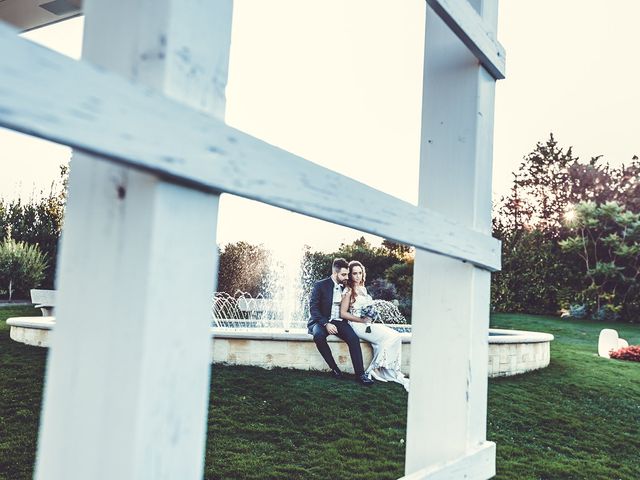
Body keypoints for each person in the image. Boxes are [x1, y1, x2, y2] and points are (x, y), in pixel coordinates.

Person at [339, 260, 409, 392]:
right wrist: (361, 319)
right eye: (354, 273)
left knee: (394, 336)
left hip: (367, 323)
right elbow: (343, 313)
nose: (358, 276)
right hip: (357, 325)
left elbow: (367, 308)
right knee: (391, 337)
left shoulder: (363, 289)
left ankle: (383, 369)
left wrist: (372, 314)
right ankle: (374, 369)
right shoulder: (348, 291)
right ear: (350, 275)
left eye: (360, 273)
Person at [308, 258, 374, 386]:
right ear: (335, 273)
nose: (346, 277)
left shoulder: (346, 286)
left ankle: (360, 374)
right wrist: (326, 324)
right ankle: (335, 369)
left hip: (339, 321)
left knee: (353, 338)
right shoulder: (320, 285)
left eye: (347, 274)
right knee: (318, 336)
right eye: (343, 274)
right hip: (322, 320)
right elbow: (313, 309)